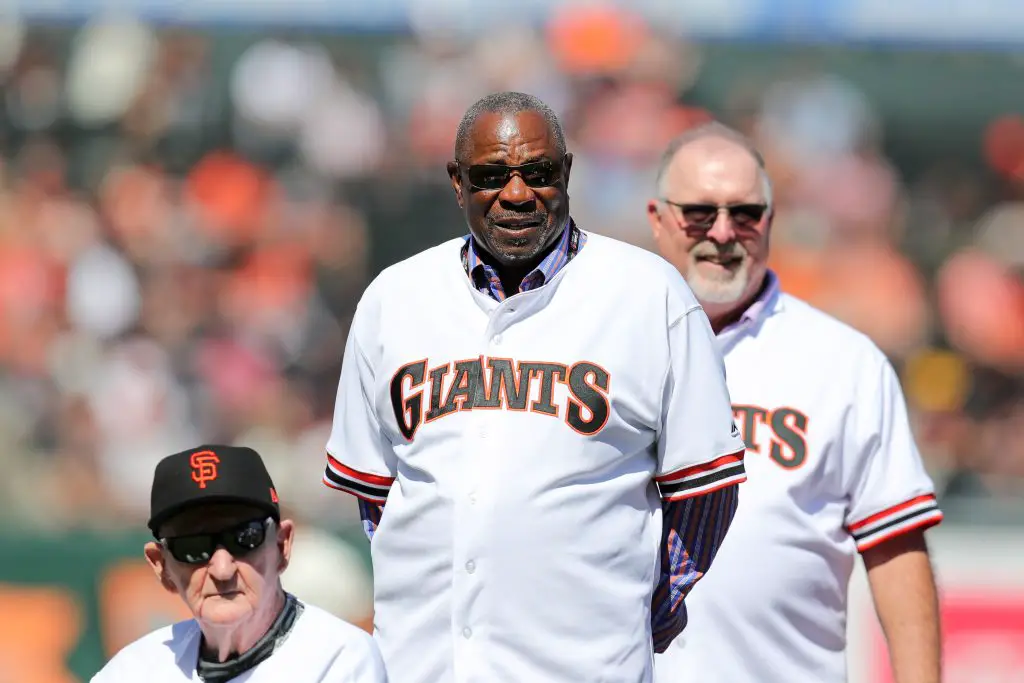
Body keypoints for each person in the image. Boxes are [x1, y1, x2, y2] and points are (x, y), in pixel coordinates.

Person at [321, 91, 746, 683]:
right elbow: (375, 496)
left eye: (538, 172)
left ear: (567, 172)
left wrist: (642, 609)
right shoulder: (394, 298)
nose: (517, 194)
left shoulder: (650, 295)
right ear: (457, 181)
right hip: (424, 665)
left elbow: (706, 488)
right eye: (492, 175)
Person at [647, 122, 943, 683]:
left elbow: (896, 546)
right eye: (699, 213)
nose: (724, 232)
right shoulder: (601, 346)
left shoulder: (843, 362)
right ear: (658, 219)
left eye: (746, 213)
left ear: (771, 222)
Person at [91, 445, 387, 683]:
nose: (222, 570)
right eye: (193, 548)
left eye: (245, 539)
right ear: (162, 566)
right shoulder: (133, 671)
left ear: (282, 545)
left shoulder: (339, 658)